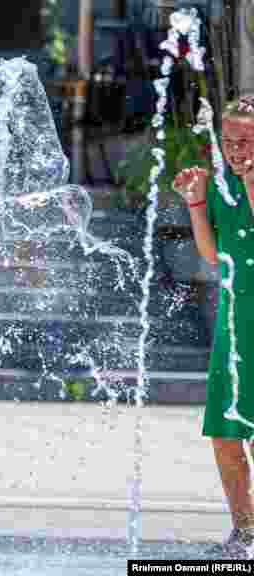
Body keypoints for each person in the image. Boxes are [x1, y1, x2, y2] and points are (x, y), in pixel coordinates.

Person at [174, 95, 254, 558]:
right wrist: (197, 202)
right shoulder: (224, 185)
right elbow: (211, 255)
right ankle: (244, 534)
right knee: (226, 437)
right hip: (234, 324)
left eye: (246, 140)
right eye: (229, 140)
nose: (236, 149)